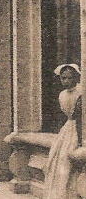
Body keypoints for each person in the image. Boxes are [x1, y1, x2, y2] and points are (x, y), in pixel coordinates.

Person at [43, 63, 83, 198]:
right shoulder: (62, 95)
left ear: (76, 78)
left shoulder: (81, 92)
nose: (65, 81)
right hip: (69, 127)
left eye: (69, 78)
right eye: (63, 78)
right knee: (60, 160)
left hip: (78, 127)